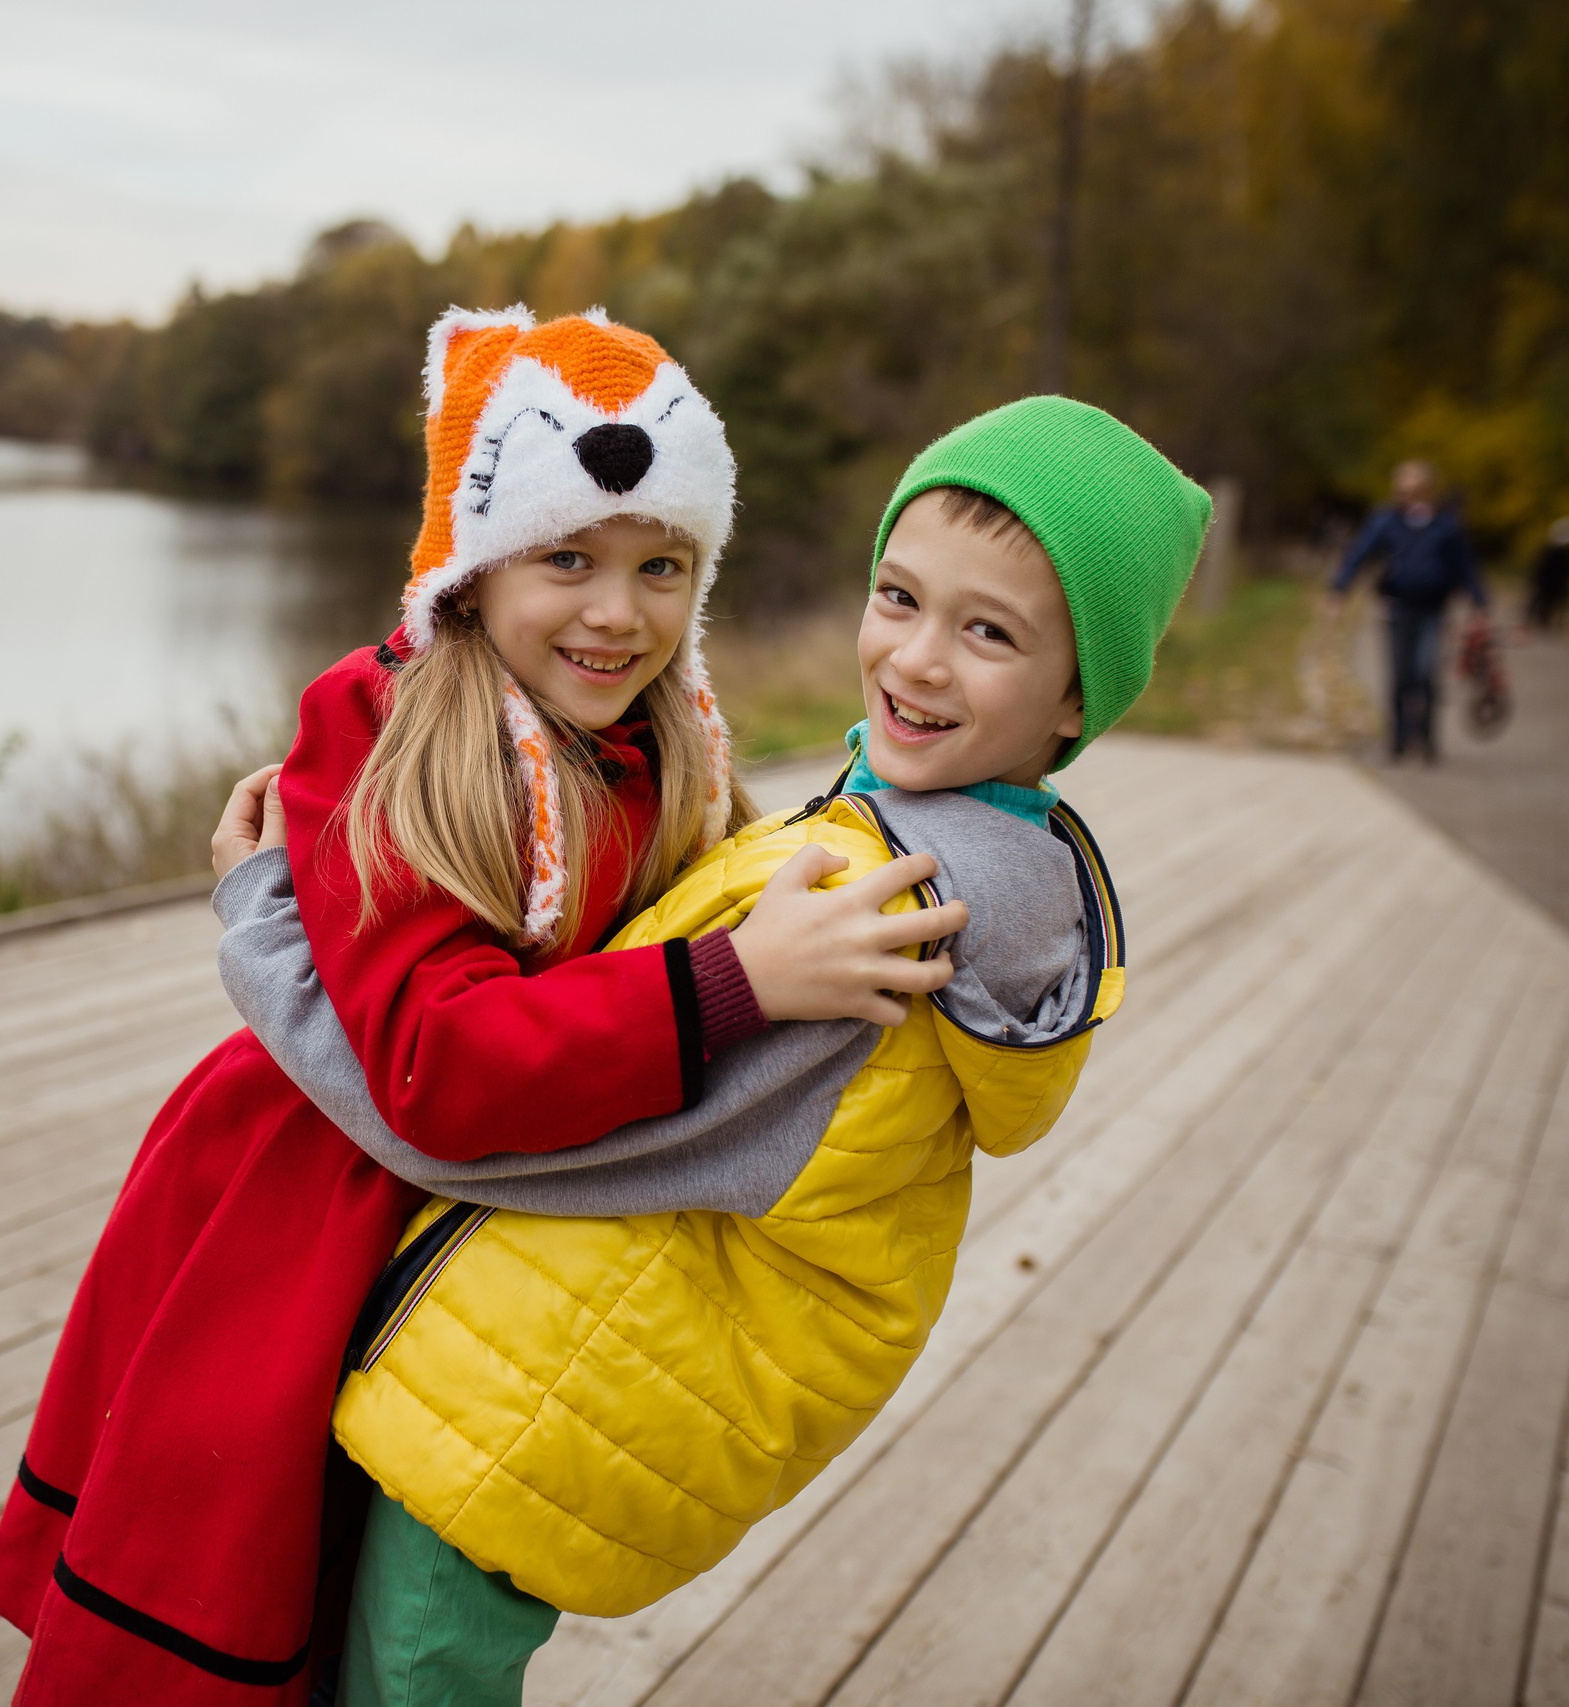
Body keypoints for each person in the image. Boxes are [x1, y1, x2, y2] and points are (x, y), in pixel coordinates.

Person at [0, 308, 965, 1706]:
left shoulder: (664, 745)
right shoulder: (389, 730)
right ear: (476, 559)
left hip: (473, 1229)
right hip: (299, 1206)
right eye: (568, 557)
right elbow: (433, 1062)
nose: (616, 612)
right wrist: (738, 981)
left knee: (379, 1616)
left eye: (661, 566)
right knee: (232, 1597)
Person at [218, 397, 1209, 1704]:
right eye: (899, 597)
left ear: (1081, 693)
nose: (915, 660)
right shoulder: (963, 849)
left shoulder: (881, 914)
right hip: (564, 1386)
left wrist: (264, 919)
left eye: (989, 633)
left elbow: (453, 1126)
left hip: (520, 1422)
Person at [1327, 459, 1487, 762]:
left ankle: (1426, 737)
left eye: (1413, 485)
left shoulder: (1445, 525)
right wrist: (1339, 590)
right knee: (1401, 675)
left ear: (1427, 488)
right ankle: (1399, 738)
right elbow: (1359, 553)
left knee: (1426, 671)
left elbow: (1465, 566)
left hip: (1433, 609)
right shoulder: (1386, 521)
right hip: (1397, 607)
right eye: (1402, 485)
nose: (1406, 491)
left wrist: (1479, 603)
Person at [1527, 516, 1569, 630]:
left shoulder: (1565, 552)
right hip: (1549, 581)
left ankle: (1545, 620)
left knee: (1550, 601)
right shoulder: (1553, 550)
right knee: (1541, 600)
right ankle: (1534, 618)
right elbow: (1542, 566)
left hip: (1556, 581)